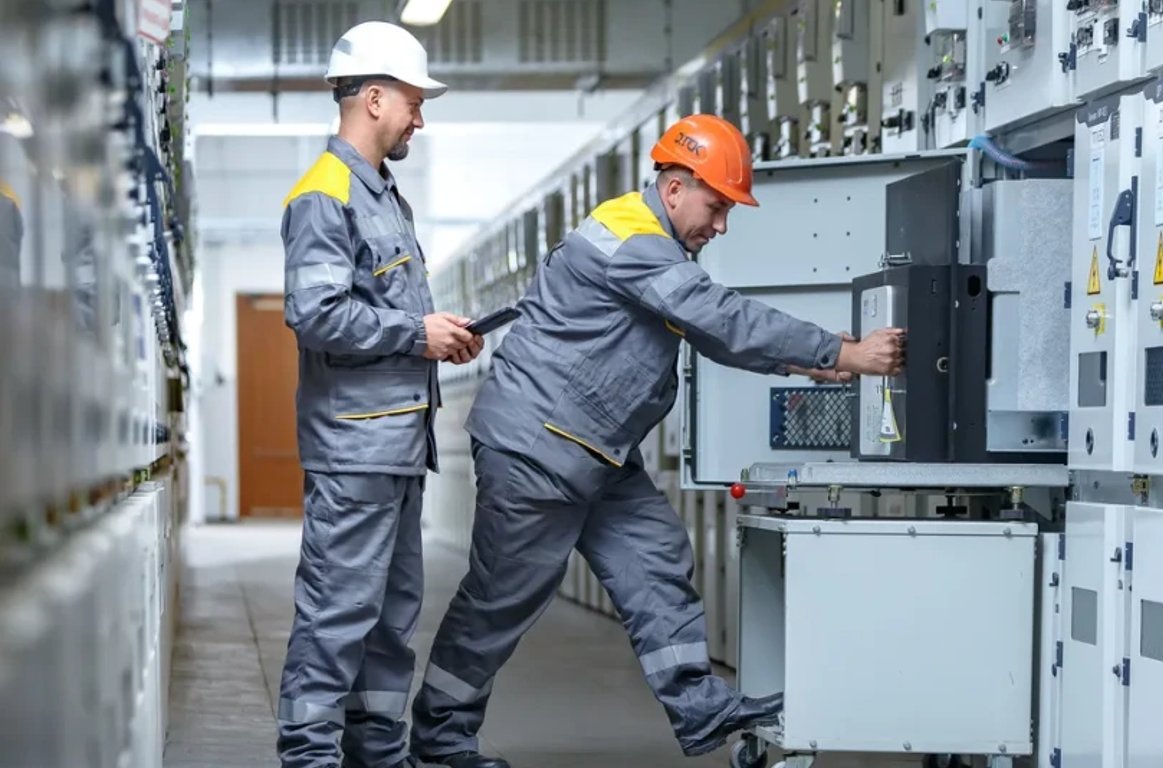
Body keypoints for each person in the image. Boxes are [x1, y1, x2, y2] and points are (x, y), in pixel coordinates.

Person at [408, 114, 906, 767]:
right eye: (717, 207)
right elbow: (718, 315)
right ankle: (438, 741)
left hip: (593, 448)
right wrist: (844, 353)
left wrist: (810, 361)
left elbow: (709, 329)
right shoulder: (634, 239)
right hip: (539, 447)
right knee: (501, 598)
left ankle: (698, 705)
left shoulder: (652, 243)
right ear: (675, 188)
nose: (721, 225)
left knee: (656, 558)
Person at [275, 21, 485, 768]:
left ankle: (378, 756)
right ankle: (309, 756)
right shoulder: (324, 194)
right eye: (413, 103)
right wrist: (414, 334)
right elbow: (315, 315)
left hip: (396, 447)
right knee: (336, 616)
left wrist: (439, 335)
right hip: (354, 448)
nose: (418, 120)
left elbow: (384, 315)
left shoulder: (384, 196)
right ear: (372, 98)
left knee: (391, 623)